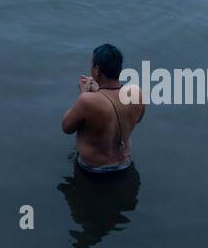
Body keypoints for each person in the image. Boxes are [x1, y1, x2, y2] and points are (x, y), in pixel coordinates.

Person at [61, 44, 145, 175]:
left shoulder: (87, 101)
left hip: (94, 170)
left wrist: (84, 94)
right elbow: (137, 119)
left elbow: (66, 127)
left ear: (98, 70)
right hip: (125, 164)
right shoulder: (136, 92)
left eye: (92, 65)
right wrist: (98, 92)